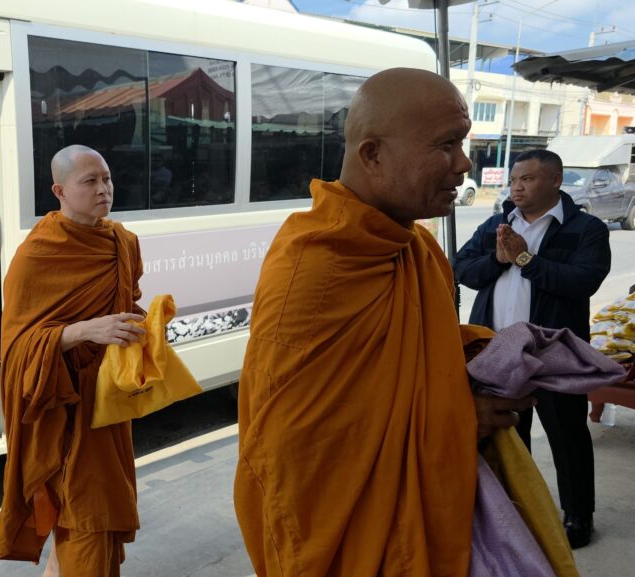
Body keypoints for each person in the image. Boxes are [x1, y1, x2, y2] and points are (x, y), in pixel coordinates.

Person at [233, 67, 535, 577]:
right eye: (446, 145)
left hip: (417, 524)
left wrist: (478, 357)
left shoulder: (415, 244)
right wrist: (460, 418)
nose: (464, 164)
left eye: (463, 144)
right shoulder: (318, 266)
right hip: (348, 544)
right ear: (372, 154)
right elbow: (298, 453)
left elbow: (417, 349)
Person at [0, 145, 145, 577]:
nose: (103, 189)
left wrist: (142, 324)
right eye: (90, 181)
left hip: (107, 404)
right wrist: (82, 331)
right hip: (62, 408)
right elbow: (17, 350)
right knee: (87, 517)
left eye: (107, 178)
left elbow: (126, 301)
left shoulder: (123, 242)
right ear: (59, 191)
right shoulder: (37, 254)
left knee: (94, 512)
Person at [455, 148, 611, 548]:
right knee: (509, 435)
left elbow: (583, 280)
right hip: (499, 352)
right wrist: (498, 259)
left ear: (555, 180)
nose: (517, 187)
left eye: (527, 179)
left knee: (568, 435)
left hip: (552, 352)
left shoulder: (585, 228)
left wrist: (526, 259)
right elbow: (462, 267)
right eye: (513, 180)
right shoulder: (497, 224)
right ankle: (517, 511)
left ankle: (578, 515)